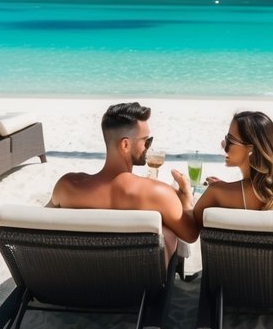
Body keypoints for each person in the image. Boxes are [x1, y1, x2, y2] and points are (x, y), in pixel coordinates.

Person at [49, 100, 196, 256]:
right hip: (139, 277)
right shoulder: (159, 194)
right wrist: (186, 198)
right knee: (167, 231)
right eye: (147, 141)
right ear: (125, 145)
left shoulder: (67, 186)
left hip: (79, 273)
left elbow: (40, 222)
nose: (149, 147)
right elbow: (191, 234)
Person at [172, 110, 273, 232]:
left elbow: (190, 230)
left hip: (234, 260)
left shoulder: (218, 193)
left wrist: (186, 196)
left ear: (251, 149)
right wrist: (227, 187)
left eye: (229, 141)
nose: (223, 144)